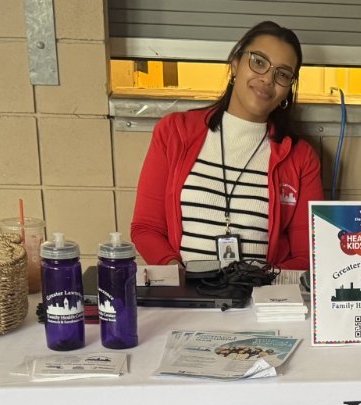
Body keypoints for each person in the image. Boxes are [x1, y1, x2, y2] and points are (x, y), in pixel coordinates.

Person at [130, 21, 322, 270]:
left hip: (259, 302)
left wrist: (259, 285)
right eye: (259, 62)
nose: (267, 79)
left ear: (288, 89)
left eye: (282, 74)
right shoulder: (174, 132)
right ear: (235, 64)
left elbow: (307, 255)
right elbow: (146, 228)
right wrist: (176, 273)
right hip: (188, 298)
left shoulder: (300, 158)